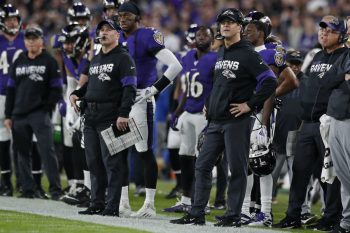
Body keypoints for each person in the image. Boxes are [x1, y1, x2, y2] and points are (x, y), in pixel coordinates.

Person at [170, 8, 277, 226]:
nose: (225, 25)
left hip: (236, 121)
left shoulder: (247, 52)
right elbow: (219, 84)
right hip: (216, 120)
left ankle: (233, 215)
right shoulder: (222, 52)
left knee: (236, 169)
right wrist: (210, 104)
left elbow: (270, 80)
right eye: (222, 22)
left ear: (240, 26)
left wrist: (250, 105)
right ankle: (197, 212)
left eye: (230, 22)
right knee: (202, 165)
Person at [273, 15, 347, 231]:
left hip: (329, 122)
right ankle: (293, 215)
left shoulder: (345, 57)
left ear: (340, 34)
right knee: (299, 171)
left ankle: (331, 217)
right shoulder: (316, 57)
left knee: (329, 175)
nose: (323, 33)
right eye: (322, 29)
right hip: (308, 123)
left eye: (330, 31)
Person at [117, 1, 182, 218]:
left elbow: (175, 65)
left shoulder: (147, 36)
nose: (122, 19)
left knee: (143, 152)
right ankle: (123, 203)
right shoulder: (117, 37)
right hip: (120, 101)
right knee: (120, 152)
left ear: (137, 17)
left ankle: (149, 205)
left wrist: (155, 89)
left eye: (127, 15)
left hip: (139, 99)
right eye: (120, 16)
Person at [70, 19, 136, 217]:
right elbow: (91, 87)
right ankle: (96, 203)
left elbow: (129, 88)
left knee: (113, 163)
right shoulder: (96, 58)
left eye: (109, 29)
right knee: (93, 162)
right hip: (90, 116)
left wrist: (124, 114)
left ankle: (112, 206)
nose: (104, 32)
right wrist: (77, 93)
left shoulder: (124, 58)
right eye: (101, 29)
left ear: (118, 34)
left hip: (111, 115)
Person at [4, 26, 63, 200]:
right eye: (28, 39)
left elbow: (57, 89)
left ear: (41, 41)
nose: (30, 41)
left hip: (39, 113)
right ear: (25, 41)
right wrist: (8, 115)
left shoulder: (49, 61)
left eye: (34, 38)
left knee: (47, 151)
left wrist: (46, 107)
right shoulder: (19, 60)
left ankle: (55, 190)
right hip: (19, 114)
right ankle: (27, 189)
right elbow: (11, 90)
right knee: (22, 154)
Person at [163, 26, 217, 213]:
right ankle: (186, 199)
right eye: (199, 34)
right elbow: (186, 89)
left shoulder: (216, 58)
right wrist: (177, 112)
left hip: (203, 115)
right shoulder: (187, 58)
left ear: (212, 39)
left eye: (206, 35)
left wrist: (212, 109)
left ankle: (205, 203)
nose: (201, 37)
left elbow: (219, 88)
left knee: (203, 161)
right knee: (185, 158)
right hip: (188, 113)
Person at [318, 33, 350, 233]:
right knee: (343, 175)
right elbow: (326, 80)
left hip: (348, 118)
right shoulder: (345, 55)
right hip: (337, 116)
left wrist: (342, 79)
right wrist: (343, 77)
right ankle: (347, 223)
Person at [0, 3, 25, 196]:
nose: (13, 22)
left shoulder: (27, 39)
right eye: (9, 20)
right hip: (1, 94)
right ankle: (6, 182)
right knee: (3, 140)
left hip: (22, 95)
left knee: (23, 139)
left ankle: (25, 182)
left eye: (15, 19)